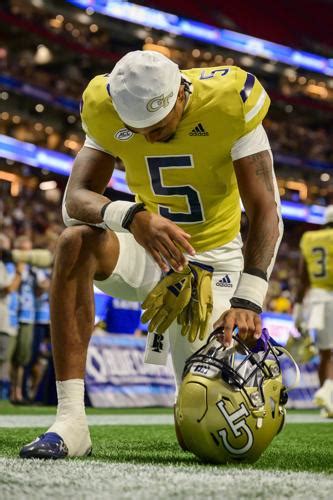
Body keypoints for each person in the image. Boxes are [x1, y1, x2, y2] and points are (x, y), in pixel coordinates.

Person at [20, 50, 283, 458]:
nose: (148, 138)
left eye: (157, 127)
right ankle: (71, 421)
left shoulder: (230, 99)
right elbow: (74, 201)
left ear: (180, 94)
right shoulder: (103, 103)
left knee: (206, 430)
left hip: (216, 258)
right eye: (136, 130)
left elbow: (266, 208)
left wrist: (249, 298)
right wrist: (132, 217)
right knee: (75, 241)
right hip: (148, 245)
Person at [293, 205, 333, 417]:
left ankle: (327, 402)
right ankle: (327, 391)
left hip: (315, 300)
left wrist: (298, 308)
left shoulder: (310, 238)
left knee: (326, 353)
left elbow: (303, 278)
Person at [0, 234, 23, 400]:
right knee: (2, 357)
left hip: (12, 317)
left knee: (7, 359)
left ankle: (7, 392)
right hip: (2, 319)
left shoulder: (8, 265)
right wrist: (19, 273)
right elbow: (8, 289)